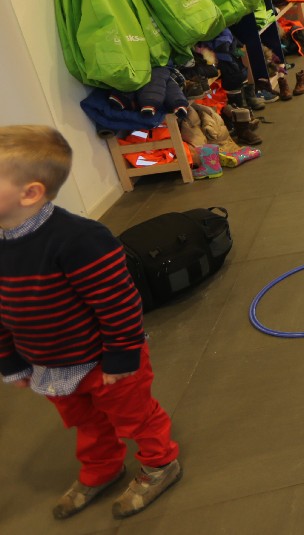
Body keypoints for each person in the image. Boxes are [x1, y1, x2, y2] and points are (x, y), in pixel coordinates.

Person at [0, 126, 182, 520]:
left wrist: (121, 356)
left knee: (135, 416)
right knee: (85, 422)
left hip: (106, 362)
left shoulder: (79, 239)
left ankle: (159, 463)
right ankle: (102, 467)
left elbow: (118, 301)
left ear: (29, 193)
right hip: (49, 364)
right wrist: (10, 360)